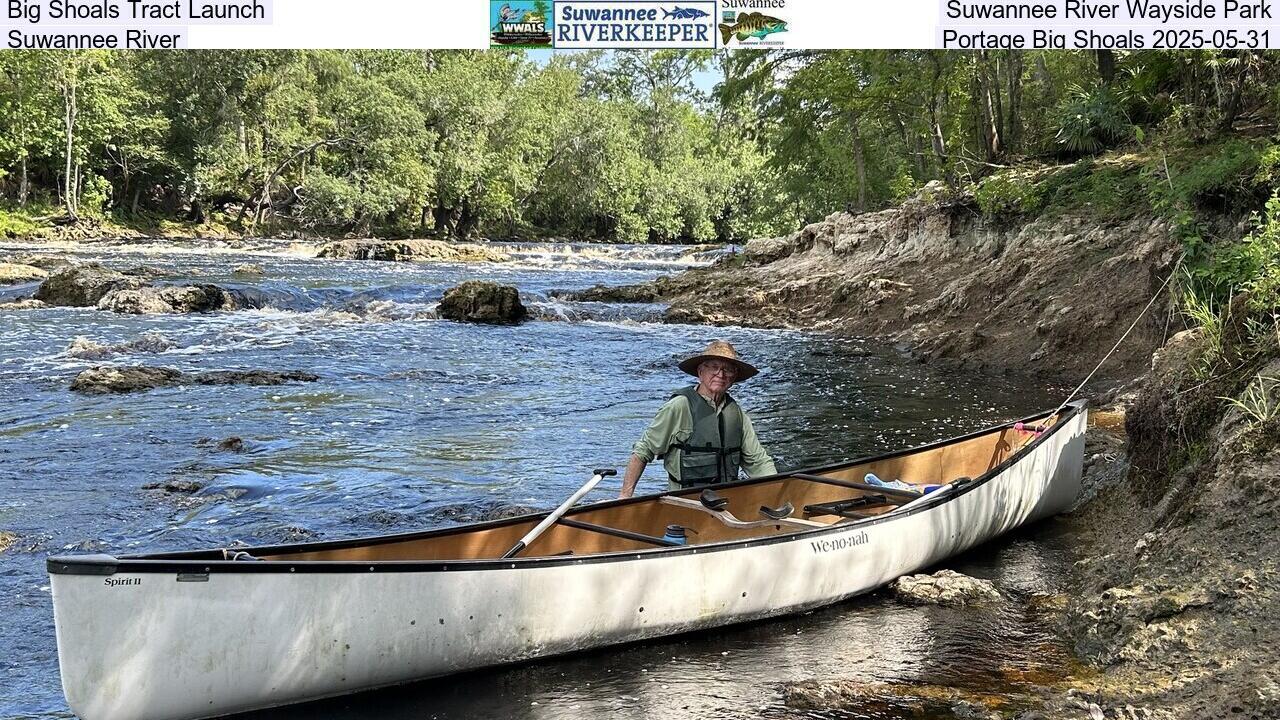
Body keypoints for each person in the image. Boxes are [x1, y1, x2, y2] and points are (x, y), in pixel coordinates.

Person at [618, 340, 778, 499]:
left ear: (734, 377)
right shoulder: (680, 406)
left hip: (726, 503)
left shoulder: (736, 413)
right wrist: (625, 496)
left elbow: (758, 461)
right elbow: (643, 451)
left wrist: (777, 490)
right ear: (701, 372)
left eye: (727, 370)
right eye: (714, 367)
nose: (720, 374)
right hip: (685, 503)